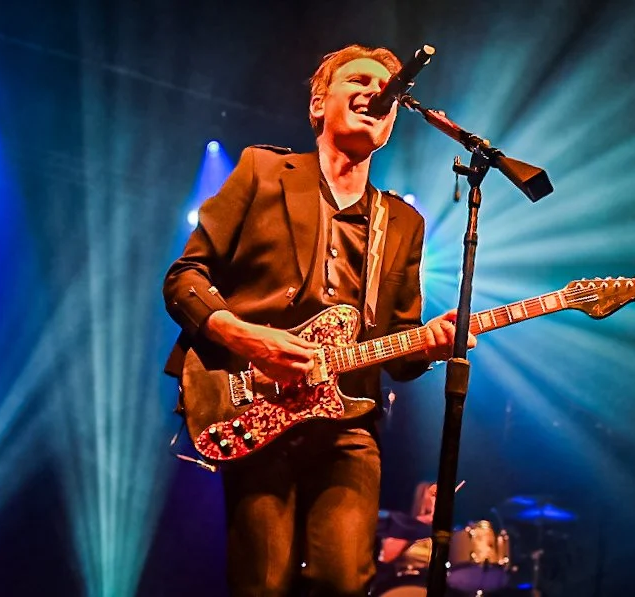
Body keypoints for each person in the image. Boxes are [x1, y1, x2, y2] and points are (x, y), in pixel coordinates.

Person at [162, 44, 475, 597]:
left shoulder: (402, 221)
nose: (376, 91)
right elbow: (185, 278)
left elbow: (399, 352)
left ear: (391, 122)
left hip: (348, 422)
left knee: (343, 580)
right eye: (358, 80)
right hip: (253, 403)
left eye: (386, 89)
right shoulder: (263, 171)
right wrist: (248, 338)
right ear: (317, 104)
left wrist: (429, 344)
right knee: (263, 582)